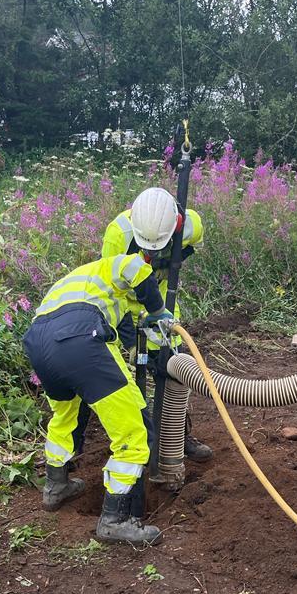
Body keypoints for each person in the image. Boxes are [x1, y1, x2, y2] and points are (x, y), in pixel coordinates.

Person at [22, 253, 172, 544]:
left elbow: (123, 326)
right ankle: (115, 520)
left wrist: (138, 347)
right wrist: (158, 310)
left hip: (39, 341)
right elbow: (137, 268)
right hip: (80, 335)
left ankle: (56, 486)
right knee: (134, 431)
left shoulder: (85, 281)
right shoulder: (122, 264)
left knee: (66, 415)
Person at [101, 187, 213, 463]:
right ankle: (140, 441)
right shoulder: (118, 234)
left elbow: (195, 245)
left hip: (162, 307)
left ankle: (177, 435)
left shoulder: (191, 225)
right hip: (127, 307)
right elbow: (110, 290)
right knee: (134, 378)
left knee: (175, 372)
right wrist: (130, 341)